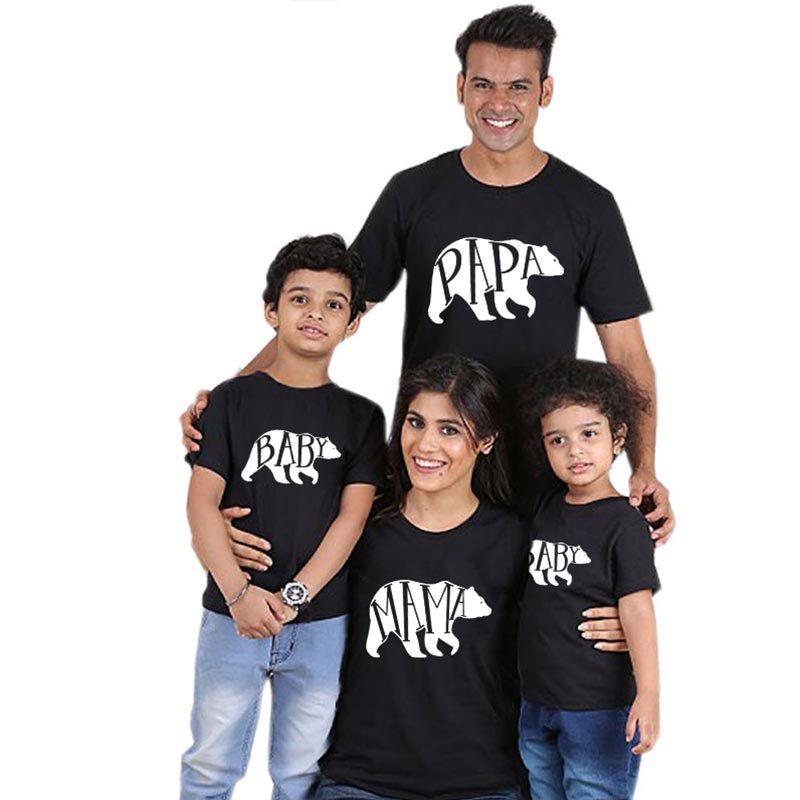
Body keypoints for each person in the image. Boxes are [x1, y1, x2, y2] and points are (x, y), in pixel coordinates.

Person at [182, 5, 674, 542]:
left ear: (546, 92)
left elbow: (627, 353)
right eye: (483, 84)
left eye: (518, 87)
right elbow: (328, 311)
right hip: (429, 460)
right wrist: (232, 400)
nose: (499, 103)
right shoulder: (414, 193)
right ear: (461, 87)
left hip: (540, 469)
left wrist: (644, 467)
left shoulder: (588, 207)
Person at [180, 234, 386, 800]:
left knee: (301, 771)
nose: (315, 313)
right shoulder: (230, 401)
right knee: (210, 763)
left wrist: (294, 597)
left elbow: (351, 519)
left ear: (352, 324)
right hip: (230, 615)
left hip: (321, 622)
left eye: (333, 304)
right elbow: (201, 503)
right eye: (300, 299)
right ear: (271, 311)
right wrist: (238, 594)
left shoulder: (362, 418)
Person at [317, 354, 531, 800]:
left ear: (486, 440)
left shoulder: (516, 539)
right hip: (361, 779)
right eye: (415, 423)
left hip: (482, 783)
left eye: (449, 430)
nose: (424, 445)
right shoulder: (357, 527)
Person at [515, 358, 660, 799]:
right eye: (558, 440)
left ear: (618, 437)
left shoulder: (624, 523)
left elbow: (637, 608)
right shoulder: (545, 509)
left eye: (589, 434)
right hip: (537, 702)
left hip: (598, 708)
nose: (574, 450)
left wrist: (650, 693)